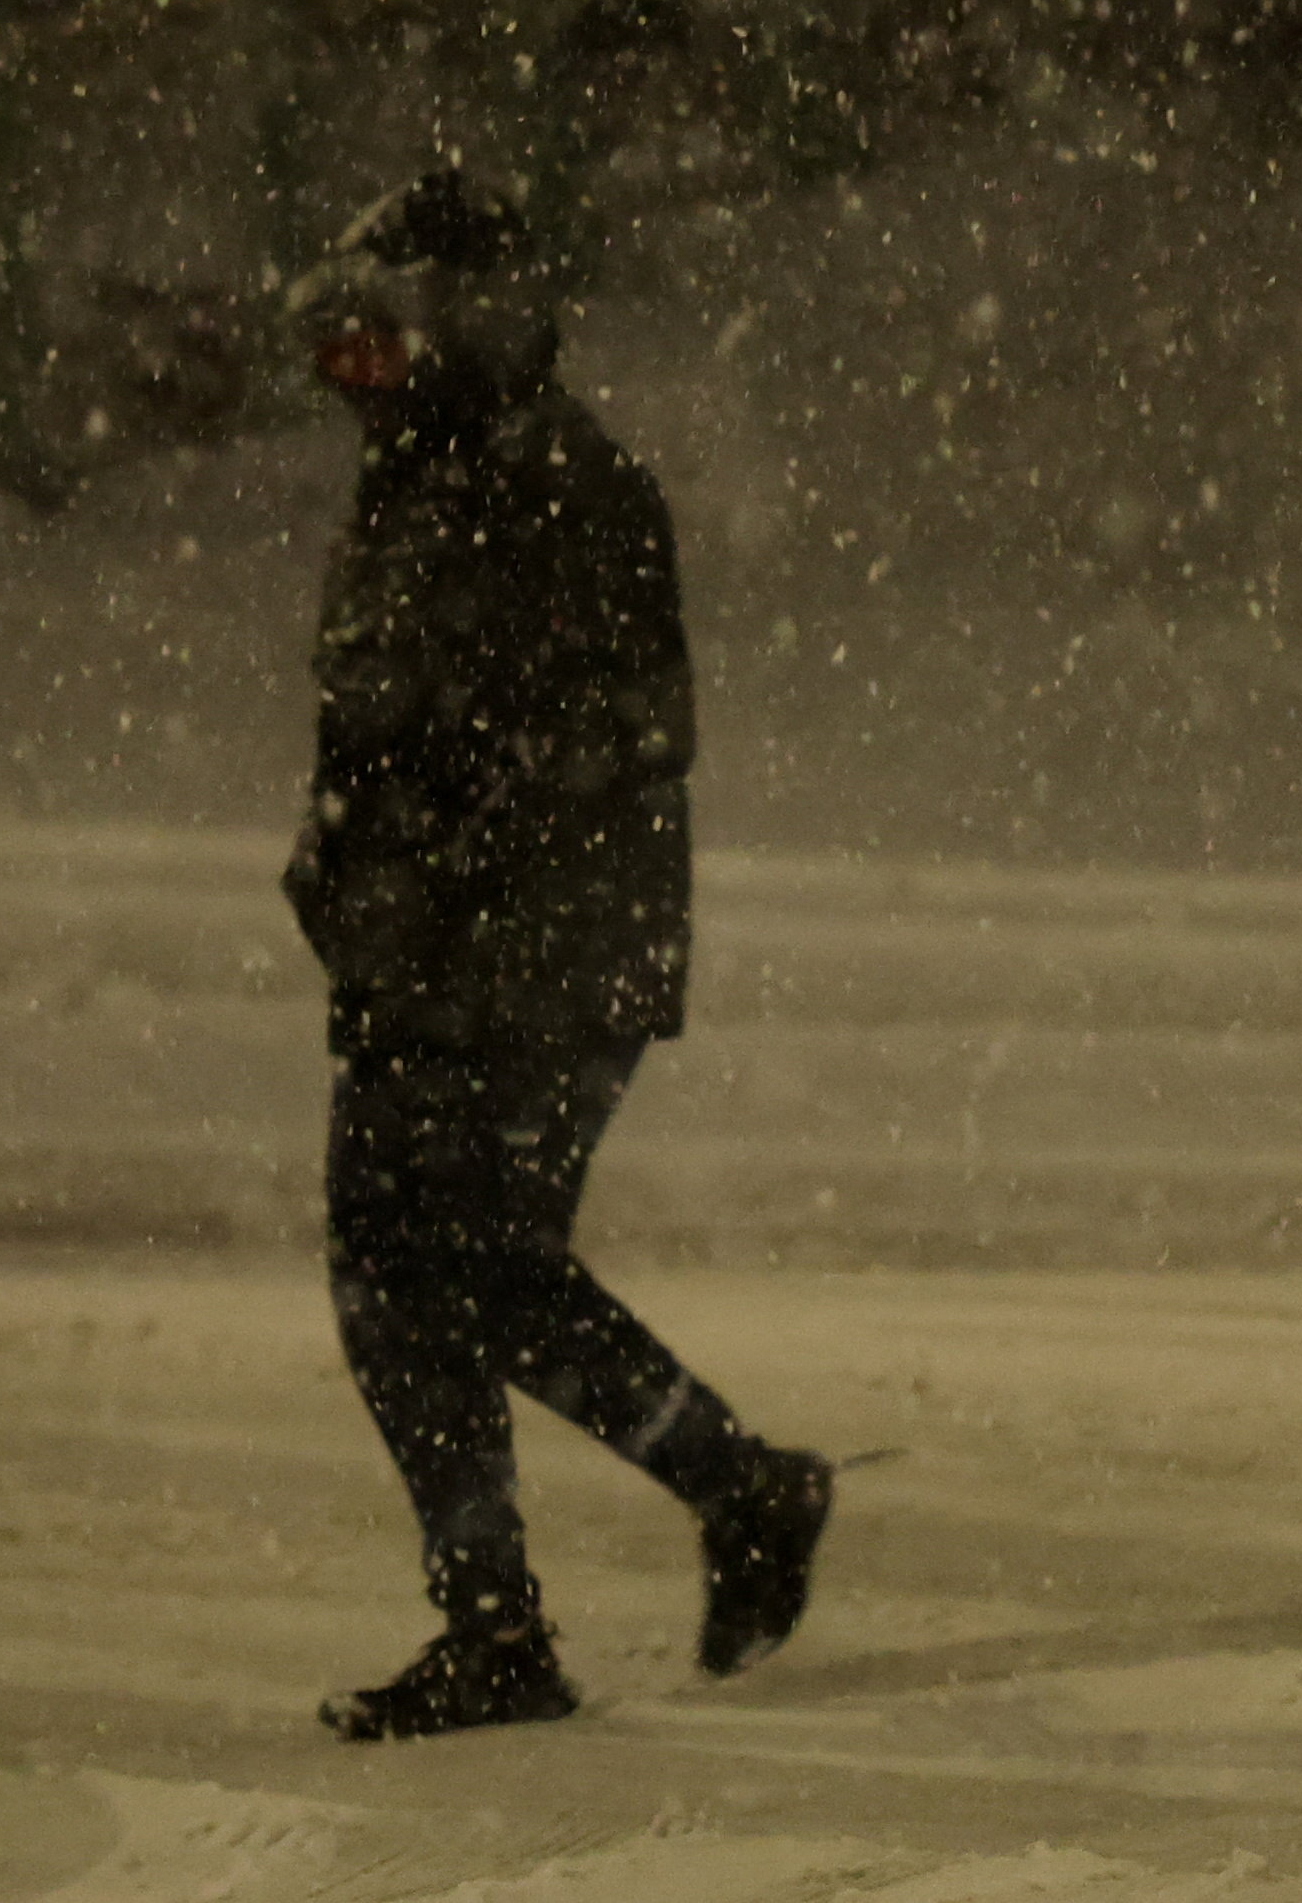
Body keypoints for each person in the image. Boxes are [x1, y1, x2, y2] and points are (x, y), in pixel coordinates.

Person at [281, 169, 834, 1741]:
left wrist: (443, 861)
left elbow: (613, 735)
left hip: (522, 961)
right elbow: (386, 719)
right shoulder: (424, 471)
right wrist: (353, 861)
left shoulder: (557, 482)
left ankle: (547, 1595)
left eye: (376, 346)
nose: (354, 380)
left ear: (462, 325)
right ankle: (681, 1519)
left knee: (441, 1272)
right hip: (445, 954)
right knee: (433, 1275)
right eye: (338, 352)